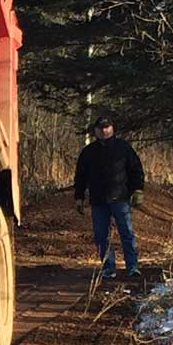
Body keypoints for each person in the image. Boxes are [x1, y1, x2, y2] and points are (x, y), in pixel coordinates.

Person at [73, 114, 145, 281]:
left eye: (107, 127)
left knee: (126, 233)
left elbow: (136, 170)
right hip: (98, 200)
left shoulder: (124, 148)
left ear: (112, 128)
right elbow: (80, 176)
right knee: (101, 236)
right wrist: (79, 197)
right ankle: (108, 267)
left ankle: (132, 266)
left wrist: (138, 190)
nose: (104, 131)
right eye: (101, 128)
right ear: (96, 131)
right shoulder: (88, 152)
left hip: (121, 198)